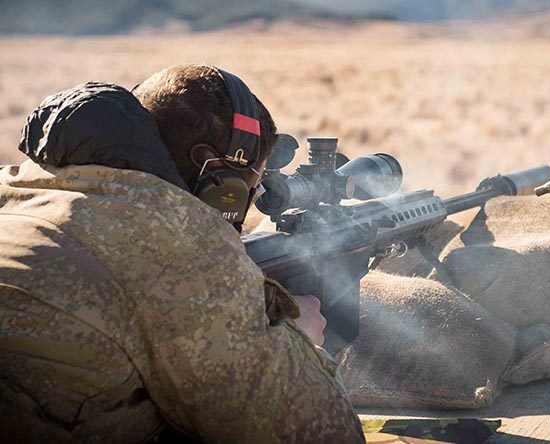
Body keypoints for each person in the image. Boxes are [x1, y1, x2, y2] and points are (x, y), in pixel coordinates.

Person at [0, 65, 365, 443]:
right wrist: (301, 341)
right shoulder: (179, 240)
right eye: (250, 189)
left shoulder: (16, 185)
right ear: (218, 183)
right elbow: (322, 431)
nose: (246, 206)